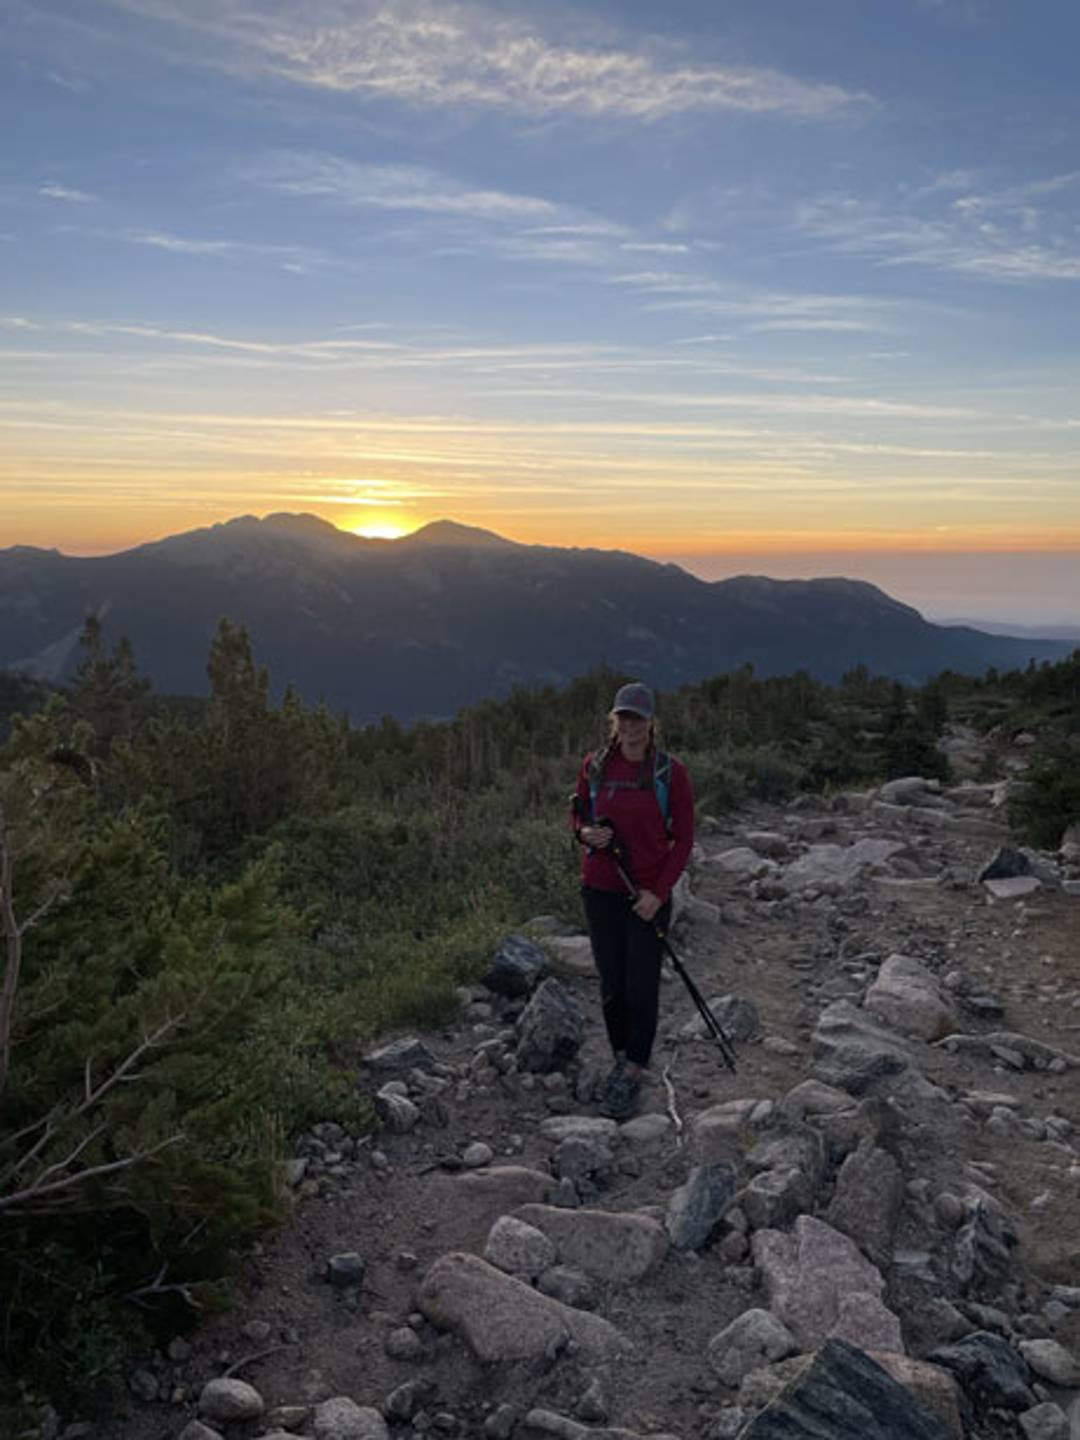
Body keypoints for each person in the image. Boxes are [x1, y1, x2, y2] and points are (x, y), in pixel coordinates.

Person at [571, 681, 695, 1118]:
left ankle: (634, 1067)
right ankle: (620, 1054)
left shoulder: (669, 773)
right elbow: (578, 815)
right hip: (600, 889)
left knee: (641, 985)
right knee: (611, 983)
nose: (630, 725)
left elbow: (683, 839)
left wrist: (657, 894)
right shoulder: (595, 766)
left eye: (637, 717)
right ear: (615, 719)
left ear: (650, 722)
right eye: (623, 716)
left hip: (646, 895)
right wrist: (585, 834)